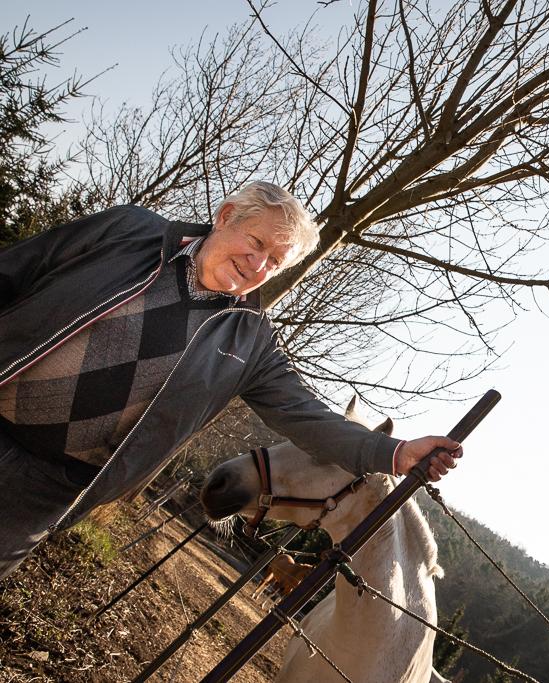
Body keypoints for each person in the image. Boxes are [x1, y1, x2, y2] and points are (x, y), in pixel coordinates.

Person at [0, 181, 461, 580]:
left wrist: (395, 453)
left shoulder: (250, 342)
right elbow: (18, 268)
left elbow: (307, 416)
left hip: (48, 486)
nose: (258, 266)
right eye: (257, 243)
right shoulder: (130, 230)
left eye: (275, 262)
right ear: (225, 217)